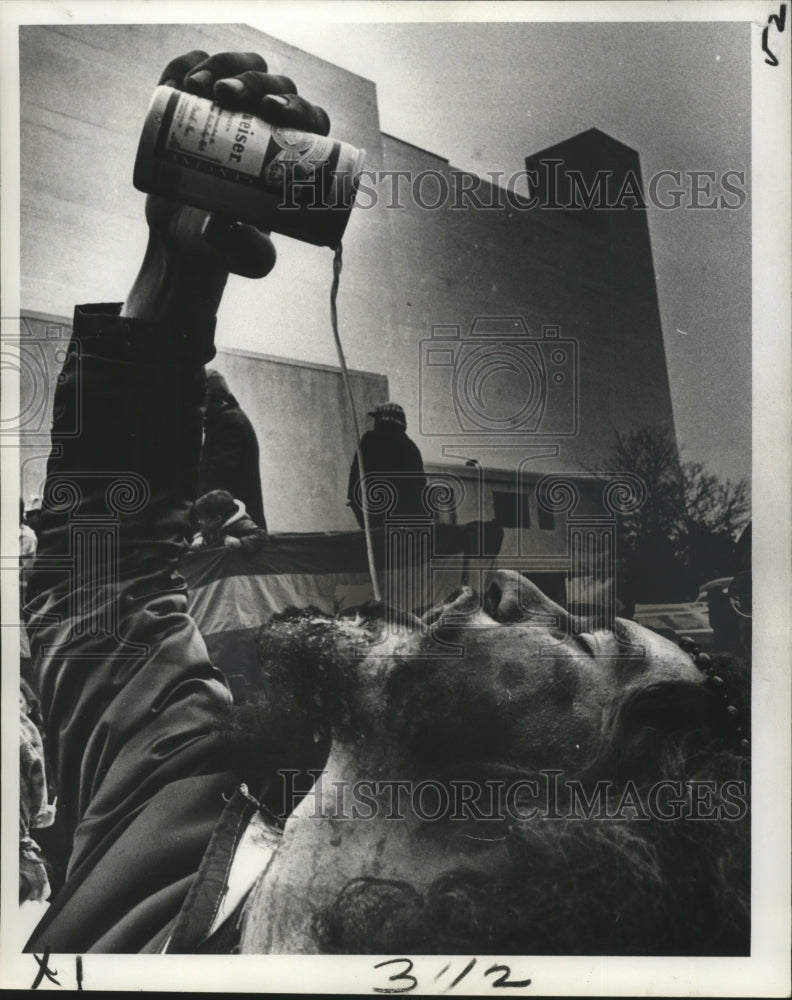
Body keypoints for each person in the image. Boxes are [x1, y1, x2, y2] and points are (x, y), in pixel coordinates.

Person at [23, 50, 749, 957]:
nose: (511, 587)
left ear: (589, 827)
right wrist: (176, 283)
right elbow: (103, 590)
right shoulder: (177, 829)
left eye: (583, 642)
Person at [197, 368, 267, 529]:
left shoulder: (228, 423)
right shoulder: (228, 419)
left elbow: (218, 475)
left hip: (233, 524)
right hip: (232, 521)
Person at [346, 402, 427, 529]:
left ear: (382, 420)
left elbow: (355, 475)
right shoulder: (410, 446)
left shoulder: (370, 440)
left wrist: (353, 501)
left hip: (375, 515)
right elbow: (420, 485)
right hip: (407, 518)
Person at [190, 488, 268, 552]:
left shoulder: (241, 524)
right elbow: (204, 532)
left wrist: (240, 543)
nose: (199, 521)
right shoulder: (213, 525)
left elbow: (262, 536)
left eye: (203, 518)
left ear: (218, 518)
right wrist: (199, 537)